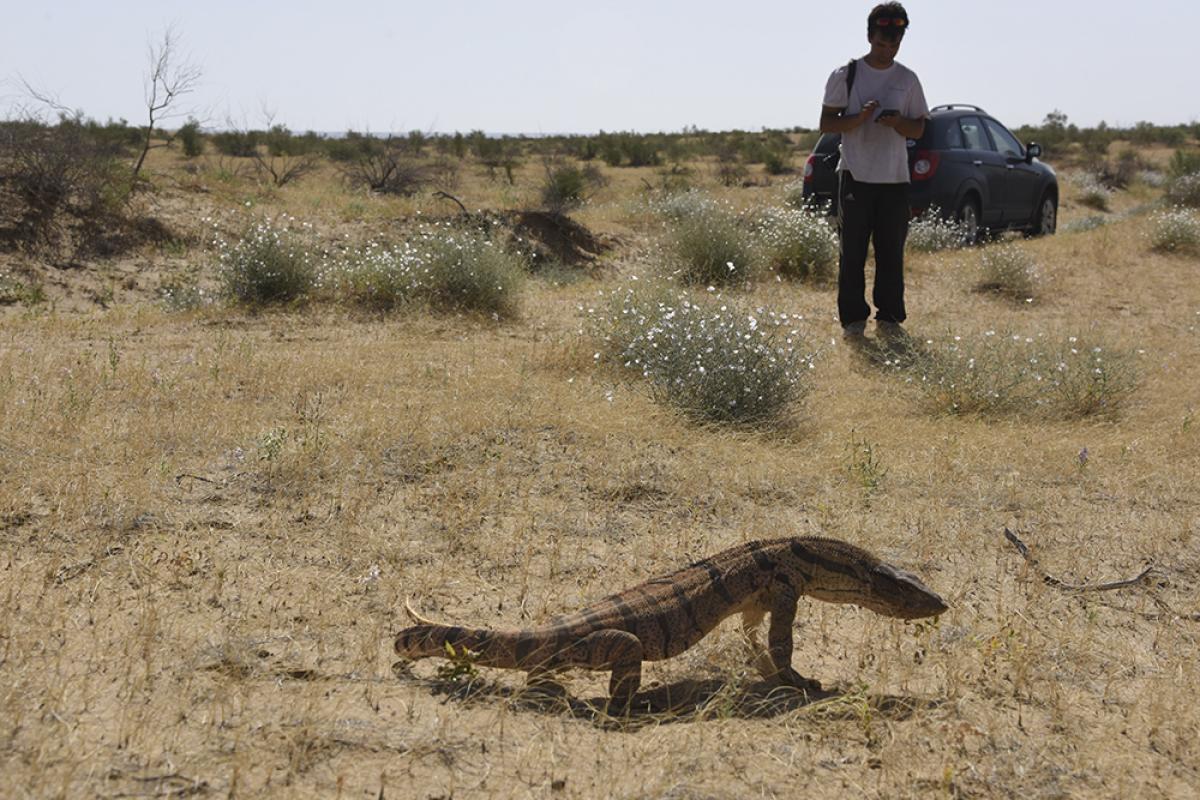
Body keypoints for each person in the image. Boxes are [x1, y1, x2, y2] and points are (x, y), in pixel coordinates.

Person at [819, 3, 929, 345]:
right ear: (870, 36)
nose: (888, 49)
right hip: (855, 175)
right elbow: (826, 124)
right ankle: (853, 319)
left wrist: (898, 123)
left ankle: (891, 318)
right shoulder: (845, 75)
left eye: (894, 43)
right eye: (882, 42)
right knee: (852, 253)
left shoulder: (907, 79)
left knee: (891, 253)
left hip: (894, 180)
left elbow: (919, 130)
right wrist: (859, 119)